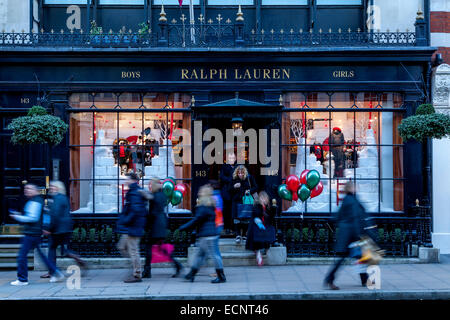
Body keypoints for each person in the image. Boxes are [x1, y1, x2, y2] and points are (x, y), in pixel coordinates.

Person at [9, 184, 65, 285]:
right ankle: (56, 272)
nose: (27, 190)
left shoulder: (35, 201)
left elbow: (32, 218)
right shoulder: (36, 200)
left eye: (29, 188)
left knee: (22, 256)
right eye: (26, 189)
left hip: (31, 233)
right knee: (42, 256)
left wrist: (17, 217)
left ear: (35, 190)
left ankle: (22, 279)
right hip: (34, 232)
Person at [323, 181, 370, 290]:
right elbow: (355, 219)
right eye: (354, 187)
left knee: (359, 257)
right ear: (351, 188)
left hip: (347, 234)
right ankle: (330, 279)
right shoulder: (352, 200)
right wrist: (359, 235)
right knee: (355, 257)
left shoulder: (348, 199)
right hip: (351, 234)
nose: (356, 188)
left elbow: (338, 216)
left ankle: (364, 280)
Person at [179, 184, 226, 283]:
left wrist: (184, 227)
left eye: (201, 191)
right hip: (210, 234)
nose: (199, 193)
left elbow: (196, 220)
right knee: (201, 255)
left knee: (212, 256)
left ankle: (221, 277)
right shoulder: (210, 205)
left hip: (207, 235)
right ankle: (191, 274)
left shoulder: (203, 206)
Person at [40, 181, 86, 279]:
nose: (51, 188)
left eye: (53, 186)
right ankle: (79, 260)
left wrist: (48, 228)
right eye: (51, 186)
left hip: (58, 229)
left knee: (52, 249)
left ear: (58, 188)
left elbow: (55, 214)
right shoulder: (62, 198)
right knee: (64, 250)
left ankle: (52, 272)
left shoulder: (57, 198)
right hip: (64, 228)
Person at [142, 178, 183, 279]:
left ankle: (147, 270)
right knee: (161, 248)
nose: (149, 186)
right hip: (162, 223)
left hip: (156, 225)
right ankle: (177, 266)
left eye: (151, 184)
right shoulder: (162, 195)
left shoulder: (154, 196)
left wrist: (147, 224)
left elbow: (152, 213)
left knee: (148, 246)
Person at [116, 172, 147, 283]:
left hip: (133, 226)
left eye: (128, 179)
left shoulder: (134, 192)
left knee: (133, 250)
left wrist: (125, 220)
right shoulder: (134, 191)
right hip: (131, 226)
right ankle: (134, 267)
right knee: (122, 246)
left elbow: (135, 210)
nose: (126, 181)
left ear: (133, 180)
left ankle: (137, 274)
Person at [246, 191, 276, 266]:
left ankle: (261, 250)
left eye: (265, 198)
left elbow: (271, 216)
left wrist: (273, 208)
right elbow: (257, 214)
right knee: (258, 241)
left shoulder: (268, 207)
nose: (264, 200)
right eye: (262, 198)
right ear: (259, 199)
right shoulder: (257, 206)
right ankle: (258, 255)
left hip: (263, 227)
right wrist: (262, 207)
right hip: (255, 227)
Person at [229, 165, 258, 244]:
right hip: (236, 201)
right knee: (236, 218)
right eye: (239, 173)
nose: (240, 174)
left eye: (242, 173)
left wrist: (249, 191)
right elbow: (229, 190)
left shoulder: (249, 178)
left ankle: (245, 234)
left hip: (246, 201)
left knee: (246, 217)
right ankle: (238, 235)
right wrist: (234, 186)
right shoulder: (234, 179)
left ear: (245, 172)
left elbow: (256, 187)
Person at [219, 153, 237, 234]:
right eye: (230, 158)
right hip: (226, 192)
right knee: (226, 211)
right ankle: (227, 228)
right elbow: (222, 177)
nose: (231, 159)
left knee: (234, 210)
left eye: (233, 158)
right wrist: (231, 179)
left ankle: (234, 228)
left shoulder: (237, 166)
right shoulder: (224, 166)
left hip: (235, 193)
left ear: (235, 158)